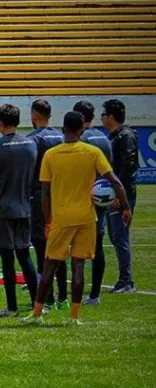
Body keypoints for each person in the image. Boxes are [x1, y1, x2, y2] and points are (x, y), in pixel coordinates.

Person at [24, 111, 131, 325]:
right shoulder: (92, 152)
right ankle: (74, 316)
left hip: (61, 218)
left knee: (49, 265)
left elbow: (45, 193)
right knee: (78, 266)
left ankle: (36, 313)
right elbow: (116, 182)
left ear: (63, 129)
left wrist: (48, 220)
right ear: (82, 130)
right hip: (86, 218)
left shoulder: (51, 155)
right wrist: (126, 208)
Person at [0, 104, 40, 317]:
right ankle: (36, 303)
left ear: (1, 123)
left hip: (1, 208)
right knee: (25, 256)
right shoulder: (31, 144)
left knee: (7, 259)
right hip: (24, 206)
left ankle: (12, 307)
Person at [73, 100, 113, 305]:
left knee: (77, 247)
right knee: (98, 245)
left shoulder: (83, 139)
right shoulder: (103, 137)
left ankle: (75, 294)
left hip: (83, 198)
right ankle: (95, 294)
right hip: (101, 196)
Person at [28, 98, 66, 309]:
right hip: (61, 196)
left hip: (40, 197)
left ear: (34, 115)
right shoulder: (61, 137)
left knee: (42, 246)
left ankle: (47, 297)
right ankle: (63, 296)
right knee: (59, 245)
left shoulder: (34, 139)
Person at [101, 99, 138, 294]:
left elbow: (128, 167)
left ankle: (126, 281)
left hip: (120, 195)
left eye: (103, 114)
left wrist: (120, 194)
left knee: (120, 236)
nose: (101, 117)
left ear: (111, 117)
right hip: (113, 193)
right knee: (116, 237)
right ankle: (124, 280)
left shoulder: (125, 136)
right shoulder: (116, 136)